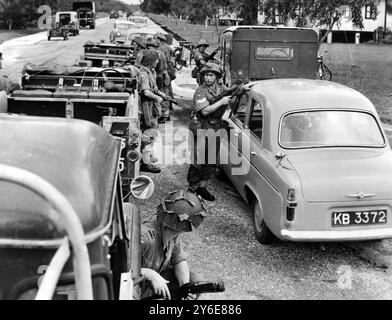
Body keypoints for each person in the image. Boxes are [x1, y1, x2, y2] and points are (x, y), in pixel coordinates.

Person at [140, 190, 207, 300]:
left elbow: (178, 258)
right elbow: (121, 272)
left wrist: (185, 286)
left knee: (196, 282)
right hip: (136, 287)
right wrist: (149, 274)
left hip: (155, 280)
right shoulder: (146, 239)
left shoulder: (171, 231)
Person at [187, 63, 231, 202]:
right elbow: (205, 111)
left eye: (211, 75)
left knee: (211, 160)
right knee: (198, 159)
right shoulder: (200, 91)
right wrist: (221, 102)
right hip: (202, 127)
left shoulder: (220, 88)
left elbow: (232, 92)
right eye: (206, 75)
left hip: (216, 127)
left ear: (217, 77)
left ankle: (202, 186)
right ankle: (193, 187)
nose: (208, 78)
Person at [138, 50, 164, 174]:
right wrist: (158, 98)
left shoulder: (149, 72)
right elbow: (146, 92)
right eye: (156, 60)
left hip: (151, 106)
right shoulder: (143, 73)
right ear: (151, 61)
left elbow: (154, 89)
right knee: (150, 134)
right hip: (147, 107)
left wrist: (163, 95)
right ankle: (146, 163)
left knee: (152, 132)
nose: (158, 62)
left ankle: (147, 156)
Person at [155, 33, 175, 119]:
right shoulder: (168, 47)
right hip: (167, 71)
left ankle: (165, 113)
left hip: (162, 71)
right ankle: (168, 109)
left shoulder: (160, 49)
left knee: (162, 91)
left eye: (156, 39)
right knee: (167, 90)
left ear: (159, 40)